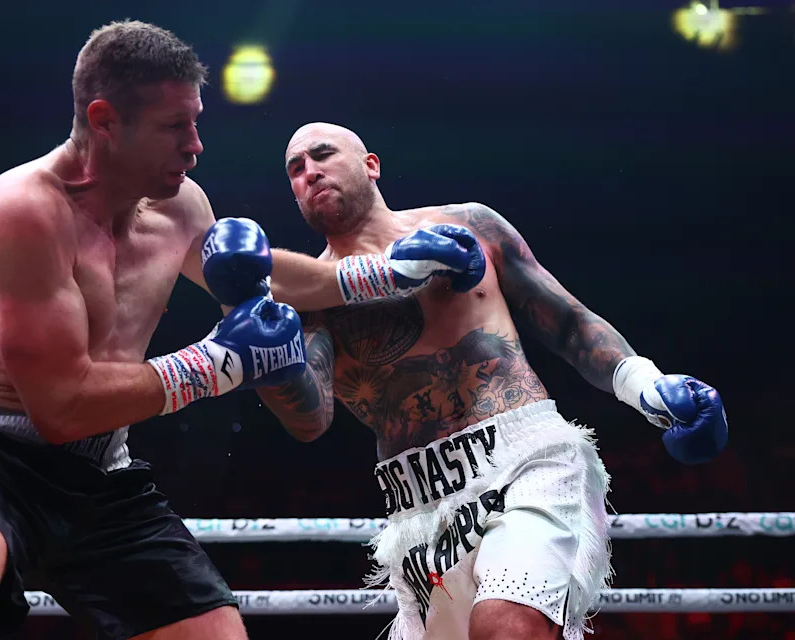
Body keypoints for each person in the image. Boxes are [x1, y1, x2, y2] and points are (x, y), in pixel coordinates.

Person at [0, 24, 485, 640]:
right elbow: (58, 406)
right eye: (174, 127)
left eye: (196, 122)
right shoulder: (24, 210)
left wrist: (389, 270)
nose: (196, 146)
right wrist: (218, 364)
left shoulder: (183, 206)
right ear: (105, 120)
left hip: (101, 471)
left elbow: (267, 276)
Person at [257, 122, 728, 640]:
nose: (309, 172)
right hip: (419, 504)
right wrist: (267, 363)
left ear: (371, 164)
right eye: (295, 170)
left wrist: (646, 385)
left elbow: (567, 322)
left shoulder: (470, 224)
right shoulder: (309, 305)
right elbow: (310, 416)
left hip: (526, 458)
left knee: (508, 627)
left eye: (322, 155)